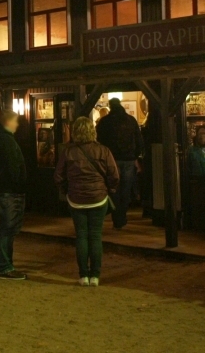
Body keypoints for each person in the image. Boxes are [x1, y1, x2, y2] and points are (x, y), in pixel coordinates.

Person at [55, 117, 119, 286]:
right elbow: (114, 175)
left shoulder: (68, 152)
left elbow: (58, 176)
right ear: (93, 131)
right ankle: (95, 276)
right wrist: (109, 190)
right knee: (95, 236)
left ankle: (83, 275)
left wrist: (66, 191)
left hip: (76, 199)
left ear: (75, 132)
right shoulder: (103, 151)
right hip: (98, 199)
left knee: (81, 236)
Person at [0, 109, 28, 280]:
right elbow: (13, 168)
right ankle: (5, 266)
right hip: (10, 190)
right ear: (8, 123)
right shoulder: (6, 141)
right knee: (8, 228)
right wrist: (19, 184)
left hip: (3, 189)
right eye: (15, 121)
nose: (17, 125)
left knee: (3, 227)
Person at [96, 98, 144, 229]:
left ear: (111, 106)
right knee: (126, 190)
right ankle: (122, 217)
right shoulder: (131, 120)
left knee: (114, 189)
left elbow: (99, 141)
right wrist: (134, 156)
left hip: (112, 159)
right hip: (128, 159)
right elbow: (139, 141)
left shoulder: (105, 122)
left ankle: (117, 218)